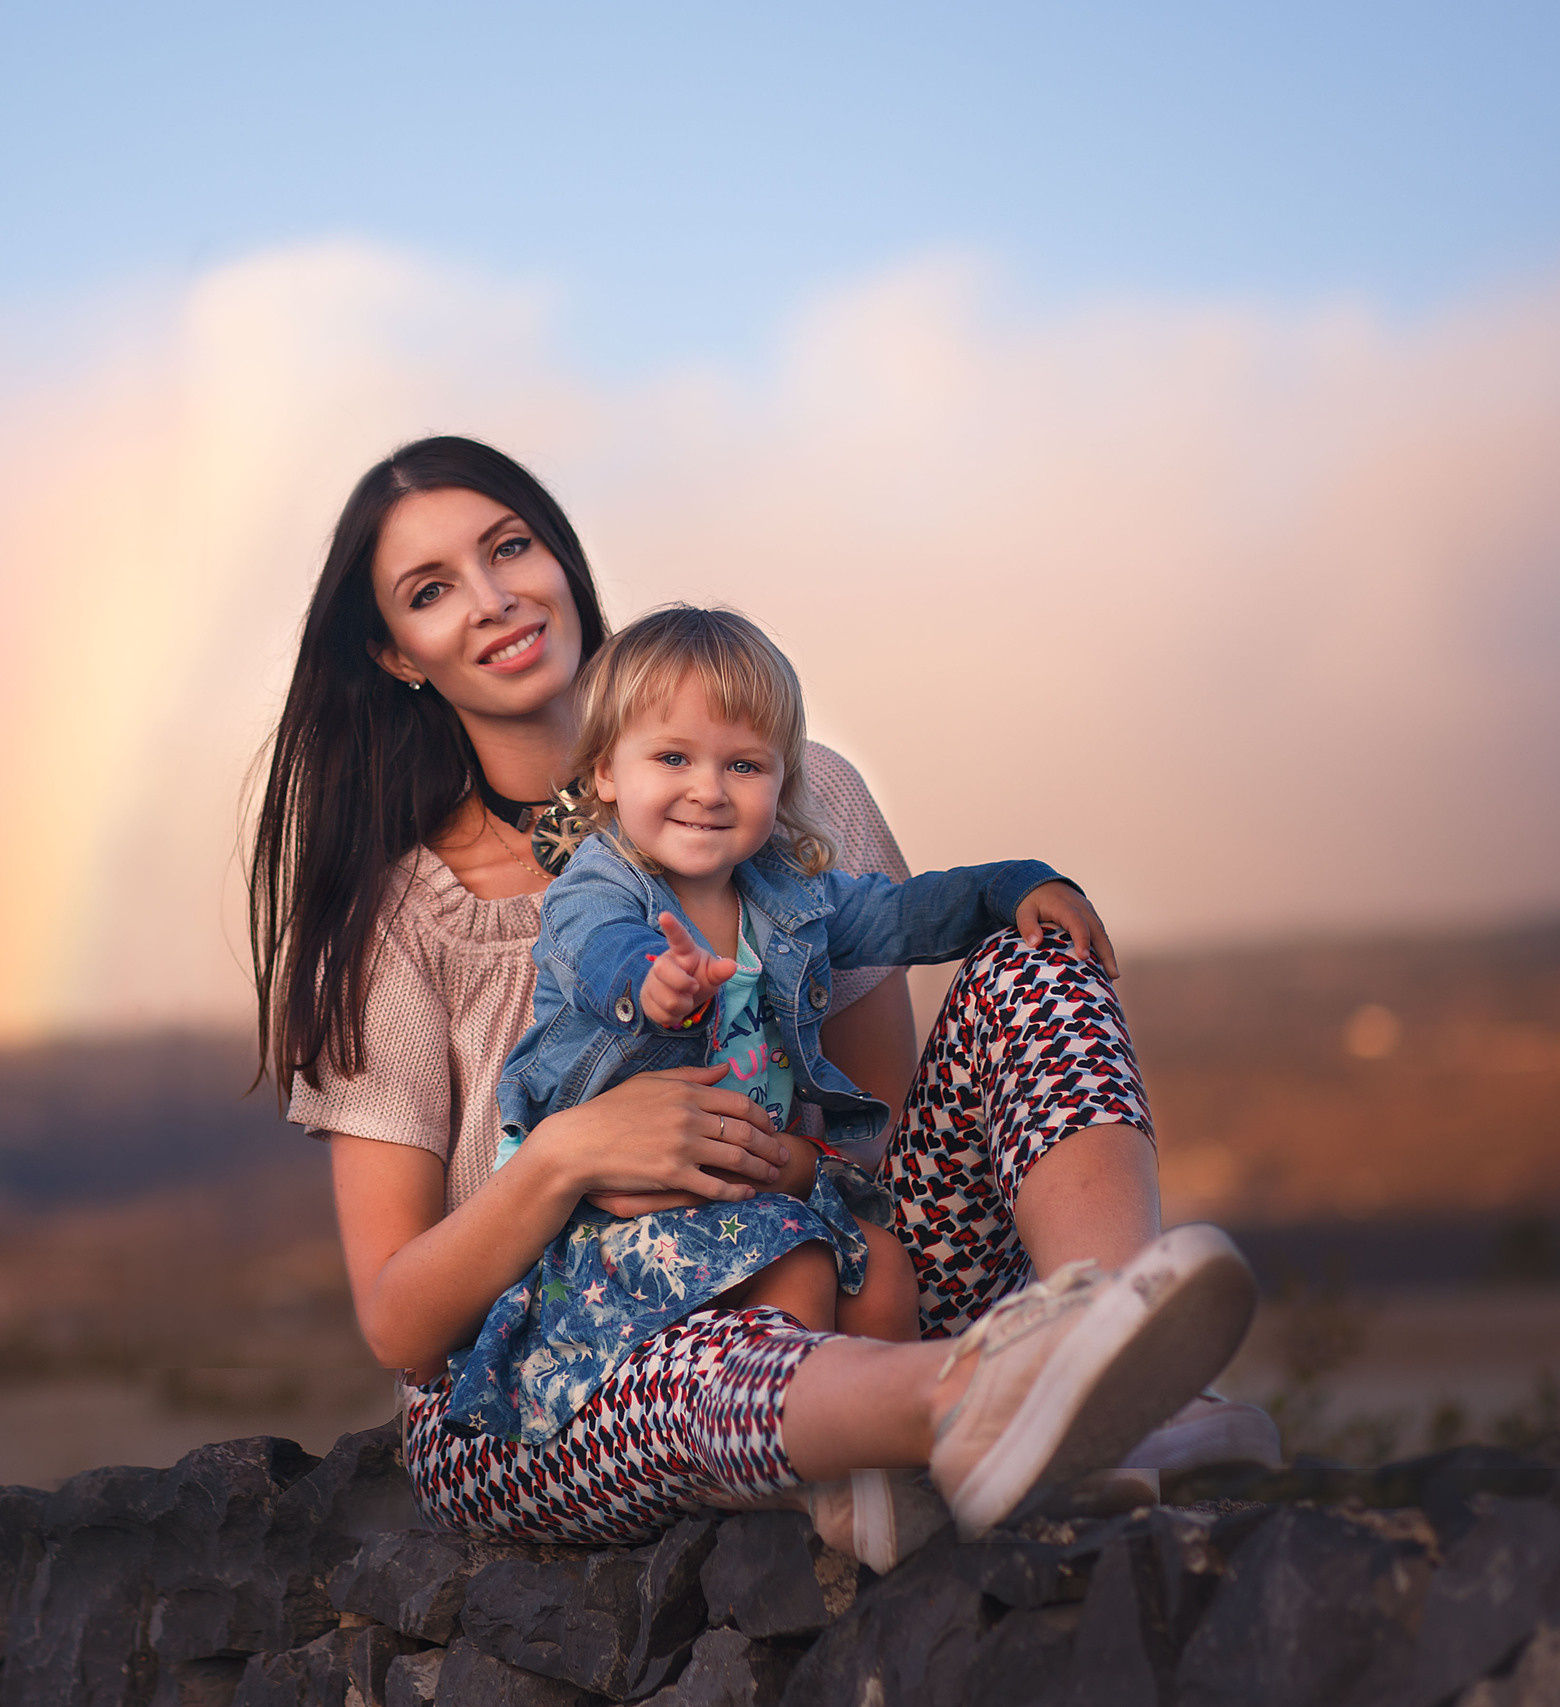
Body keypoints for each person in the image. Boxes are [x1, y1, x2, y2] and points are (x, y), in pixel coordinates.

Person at [250, 435, 1266, 1557]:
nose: (492, 601)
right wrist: (569, 1154)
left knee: (1033, 965)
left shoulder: (795, 794)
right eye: (432, 591)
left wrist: (1015, 896)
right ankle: (972, 1399)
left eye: (510, 548)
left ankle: (1114, 1355)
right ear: (396, 654)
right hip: (549, 1370)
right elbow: (400, 1323)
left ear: (562, 558)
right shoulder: (396, 919)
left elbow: (870, 1144)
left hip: (825, 1260)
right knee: (696, 1363)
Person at [447, 604, 1093, 1445]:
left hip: (746, 1193)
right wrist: (652, 981)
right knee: (794, 1265)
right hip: (614, 1217)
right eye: (672, 756)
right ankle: (807, 1466)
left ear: (782, 783)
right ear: (607, 771)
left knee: (886, 1271)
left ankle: (890, 1466)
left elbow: (902, 914)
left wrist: (1014, 886)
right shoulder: (599, 890)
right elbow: (597, 950)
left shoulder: (787, 898)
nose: (708, 789)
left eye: (743, 764)